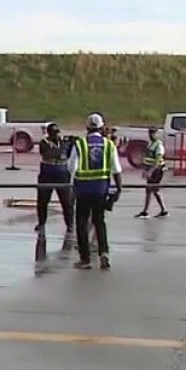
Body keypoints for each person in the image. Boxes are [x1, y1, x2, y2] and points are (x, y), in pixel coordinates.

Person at [67, 113, 123, 269]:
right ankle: (104, 253)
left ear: (87, 128)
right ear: (101, 127)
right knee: (99, 222)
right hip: (101, 190)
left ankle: (85, 259)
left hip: (83, 189)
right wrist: (119, 188)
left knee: (82, 223)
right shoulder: (109, 145)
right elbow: (116, 169)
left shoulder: (80, 145)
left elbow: (71, 167)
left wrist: (72, 186)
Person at [34, 122, 75, 250]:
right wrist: (63, 149)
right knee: (43, 201)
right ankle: (41, 223)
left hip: (62, 174)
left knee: (66, 201)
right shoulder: (44, 143)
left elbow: (67, 153)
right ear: (48, 133)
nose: (56, 135)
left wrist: (71, 143)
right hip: (47, 173)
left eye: (57, 133)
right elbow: (49, 153)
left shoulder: (63, 142)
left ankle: (69, 224)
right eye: (53, 133)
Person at [135, 127, 168, 218]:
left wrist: (150, 171)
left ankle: (147, 211)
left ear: (157, 134)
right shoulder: (151, 144)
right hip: (151, 170)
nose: (151, 135)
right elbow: (148, 159)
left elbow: (157, 161)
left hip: (157, 171)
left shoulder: (159, 145)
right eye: (150, 133)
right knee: (152, 191)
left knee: (151, 190)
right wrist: (145, 170)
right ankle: (162, 210)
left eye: (153, 133)